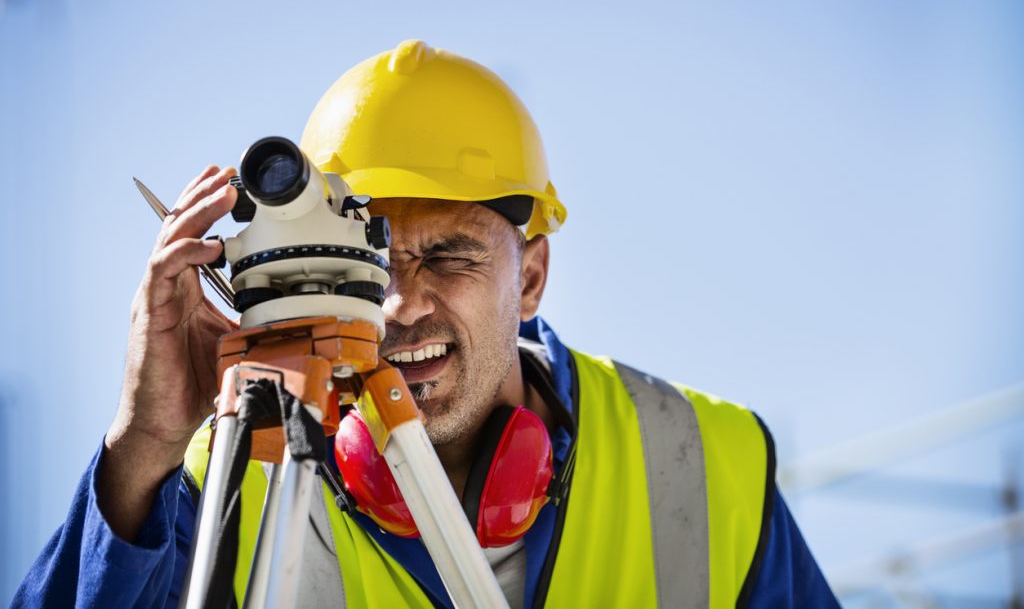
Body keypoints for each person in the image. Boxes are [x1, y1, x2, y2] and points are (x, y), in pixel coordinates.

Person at [14, 40, 838, 608]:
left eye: (450, 256)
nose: (402, 305)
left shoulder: (696, 462)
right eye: (370, 264)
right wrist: (145, 443)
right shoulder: (233, 475)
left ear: (534, 276)